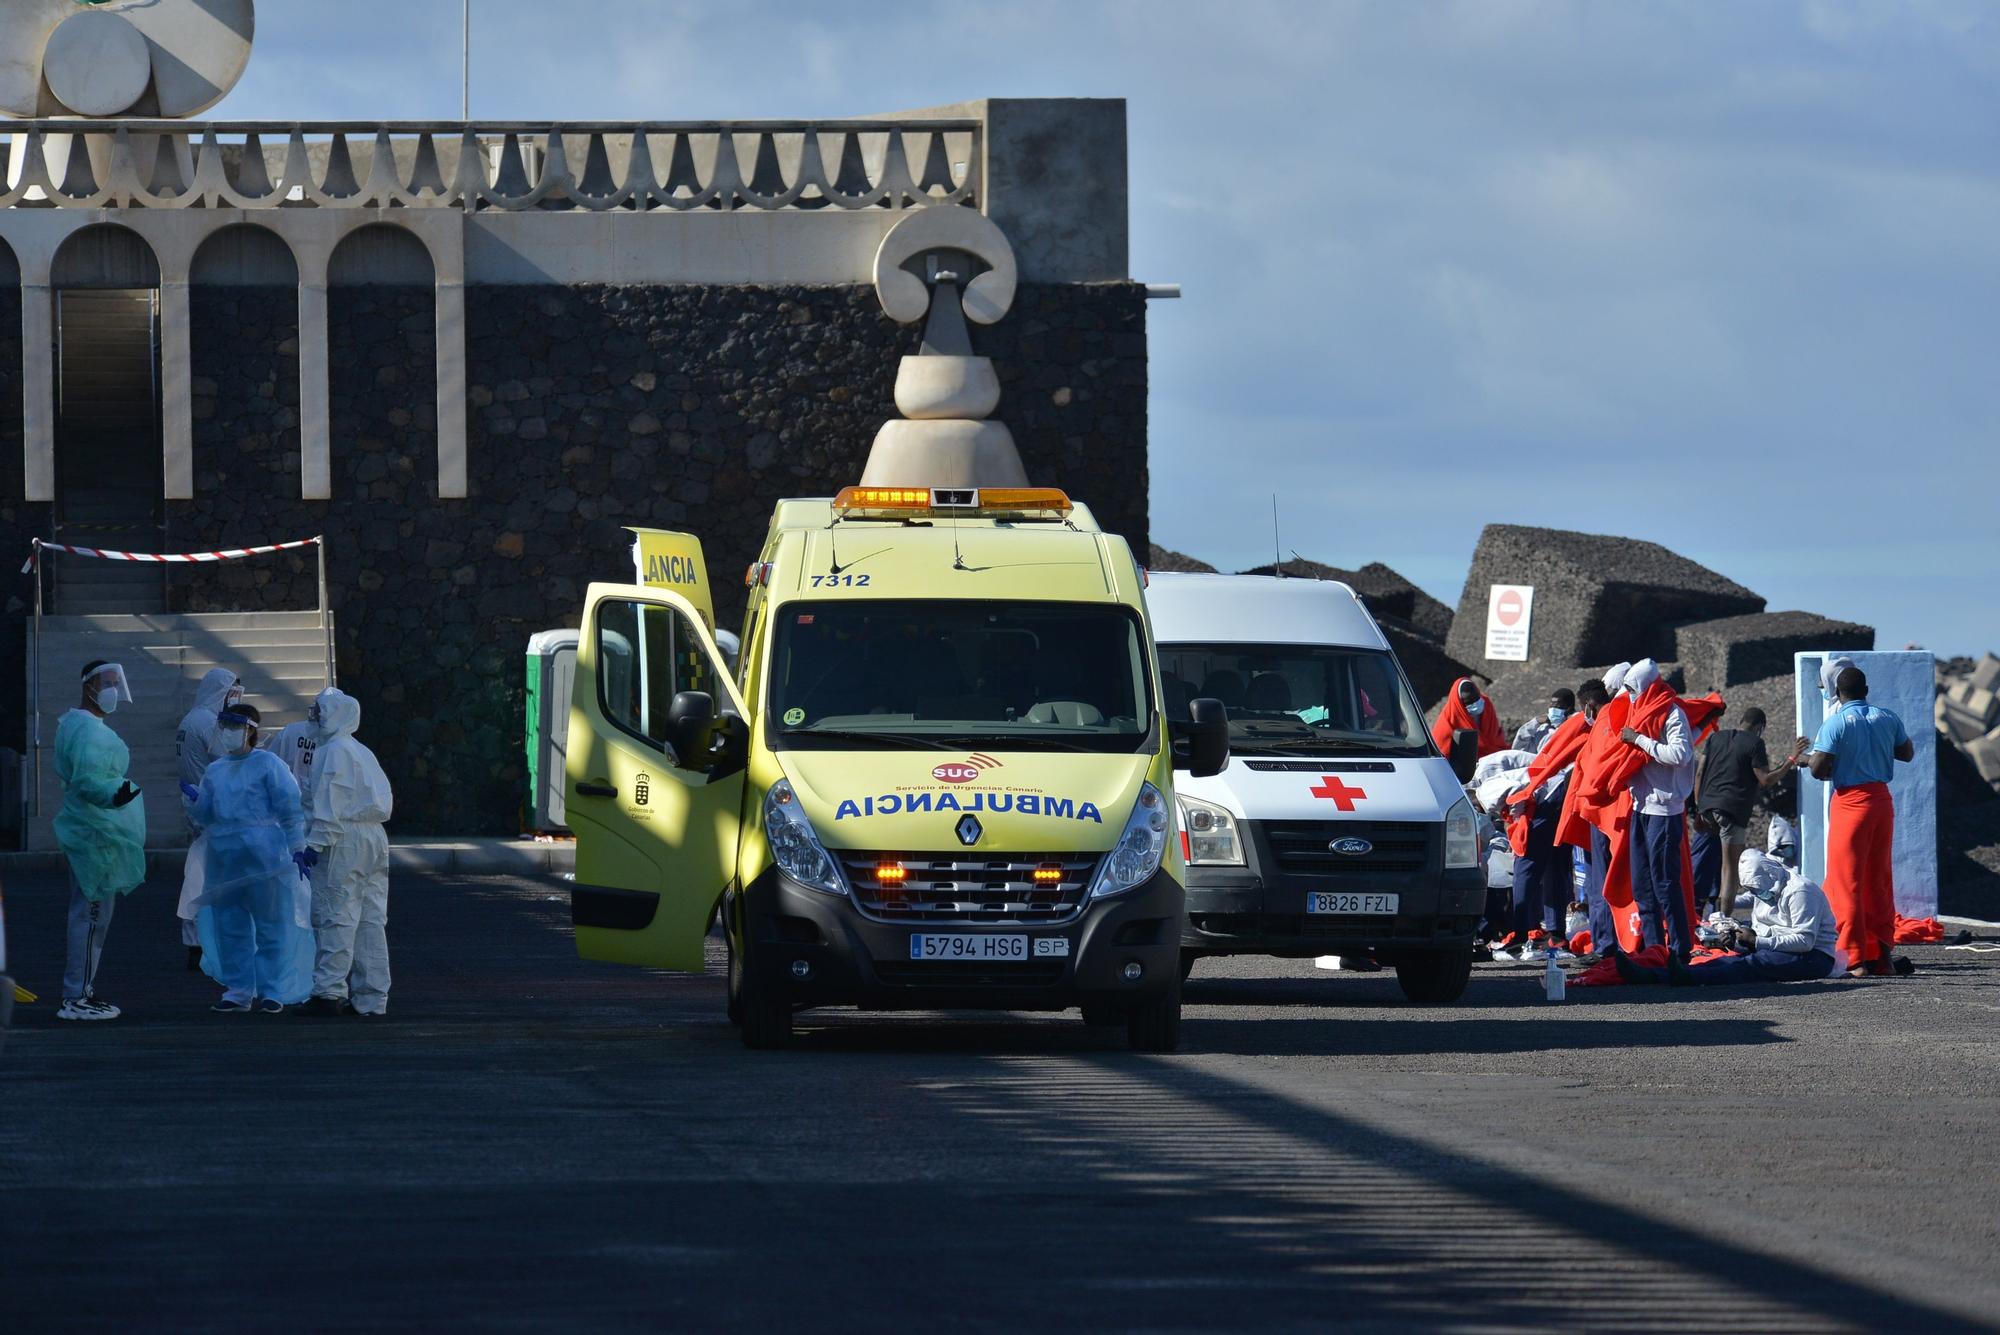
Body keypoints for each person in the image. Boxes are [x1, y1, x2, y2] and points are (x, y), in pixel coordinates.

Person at [186, 705, 313, 1014]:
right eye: (224, 724)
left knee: (272, 925)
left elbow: (289, 808)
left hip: (265, 859)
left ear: (251, 729)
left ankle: (273, 990)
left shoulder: (269, 764)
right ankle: (239, 990)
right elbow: (206, 816)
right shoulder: (216, 769)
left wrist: (297, 846)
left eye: (234, 725)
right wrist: (194, 801)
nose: (227, 730)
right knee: (231, 926)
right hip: (226, 860)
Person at [52, 661, 148, 1021]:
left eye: (115, 683)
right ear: (88, 686)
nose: (112, 690)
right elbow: (89, 781)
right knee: (91, 917)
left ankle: (81, 991)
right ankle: (75, 997)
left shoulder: (77, 724)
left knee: (92, 916)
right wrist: (119, 795)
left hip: (94, 832)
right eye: (106, 683)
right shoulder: (87, 731)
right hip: (95, 834)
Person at [1807, 666, 1915, 978]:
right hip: (1882, 801)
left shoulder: (1836, 722)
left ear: (1837, 694)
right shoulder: (1887, 717)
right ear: (1866, 689)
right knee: (1879, 880)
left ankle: (1854, 960)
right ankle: (1883, 958)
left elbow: (1817, 768)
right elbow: (1906, 753)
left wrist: (1835, 760)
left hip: (1851, 803)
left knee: (1846, 882)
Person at [298, 689, 396, 1018]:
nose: (314, 718)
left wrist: (314, 845)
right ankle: (372, 998)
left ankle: (329, 992)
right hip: (373, 837)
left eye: (319, 712)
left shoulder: (333, 751)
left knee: (335, 912)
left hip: (345, 838)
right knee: (370, 918)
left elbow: (331, 803)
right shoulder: (359, 750)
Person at [1615, 849, 1838, 986]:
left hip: (1814, 958)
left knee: (1751, 965)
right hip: (1782, 946)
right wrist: (1729, 920)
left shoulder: (1800, 892)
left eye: (1756, 889)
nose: (1756, 894)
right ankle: (1658, 975)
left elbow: (1805, 941)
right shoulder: (1770, 883)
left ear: (1769, 876)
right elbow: (1755, 906)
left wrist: (1756, 941)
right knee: (1727, 960)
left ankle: (1681, 978)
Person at [1692, 707, 1806, 917]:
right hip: (1731, 811)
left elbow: (1699, 773)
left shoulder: (1715, 737)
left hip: (1707, 807)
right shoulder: (1755, 743)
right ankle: (1724, 920)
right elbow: (1765, 780)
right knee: (1730, 869)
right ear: (1759, 727)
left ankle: (1703, 909)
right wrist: (1791, 759)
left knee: (1708, 858)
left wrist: (1699, 808)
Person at [1617, 659, 1695, 962]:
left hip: (1664, 810)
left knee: (1664, 882)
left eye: (1633, 688)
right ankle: (1654, 948)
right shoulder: (1638, 711)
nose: (1630, 694)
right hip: (1641, 807)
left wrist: (1639, 741)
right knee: (1643, 884)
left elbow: (1680, 754)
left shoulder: (1672, 713)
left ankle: (1679, 949)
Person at [175, 667, 241, 969]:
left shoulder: (191, 719)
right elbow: (231, 756)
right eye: (230, 693)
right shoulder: (207, 722)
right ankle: (209, 945)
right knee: (214, 880)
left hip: (198, 806)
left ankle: (196, 942)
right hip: (213, 810)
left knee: (198, 877)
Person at [1432, 676, 1507, 779]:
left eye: (1476, 700)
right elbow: (1441, 754)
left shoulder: (1486, 705)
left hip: (1494, 758)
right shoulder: (1448, 721)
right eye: (1469, 703)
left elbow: (1495, 735)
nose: (1475, 705)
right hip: (1465, 771)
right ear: (1459, 704)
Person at [1511, 688, 1577, 755]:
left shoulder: (1575, 728)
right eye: (1551, 706)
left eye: (1557, 707)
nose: (1553, 710)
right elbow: (1520, 750)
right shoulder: (1545, 729)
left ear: (1569, 708)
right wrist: (1535, 722)